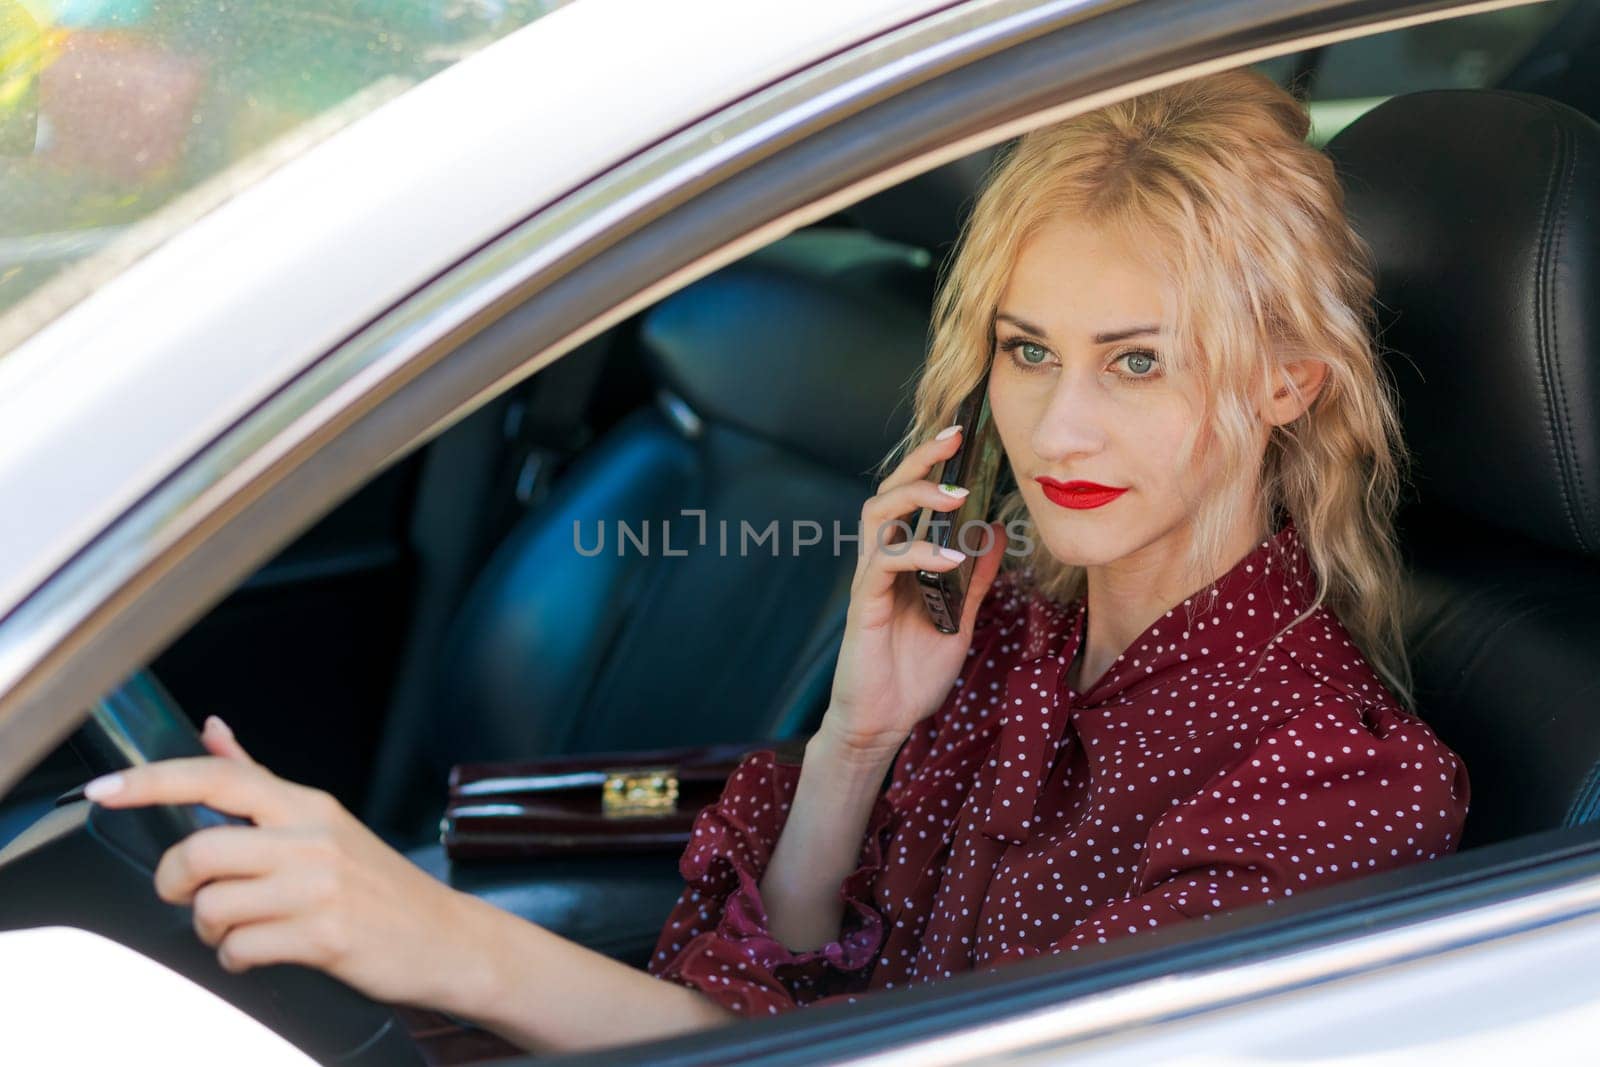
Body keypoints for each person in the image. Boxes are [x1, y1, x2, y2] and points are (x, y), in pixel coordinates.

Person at [82, 67, 1469, 1052]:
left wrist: (450, 946)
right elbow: (773, 984)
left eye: (1138, 364)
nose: (1059, 424)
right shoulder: (1005, 630)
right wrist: (856, 743)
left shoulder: (1336, 784)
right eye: (1027, 351)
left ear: (1290, 384)